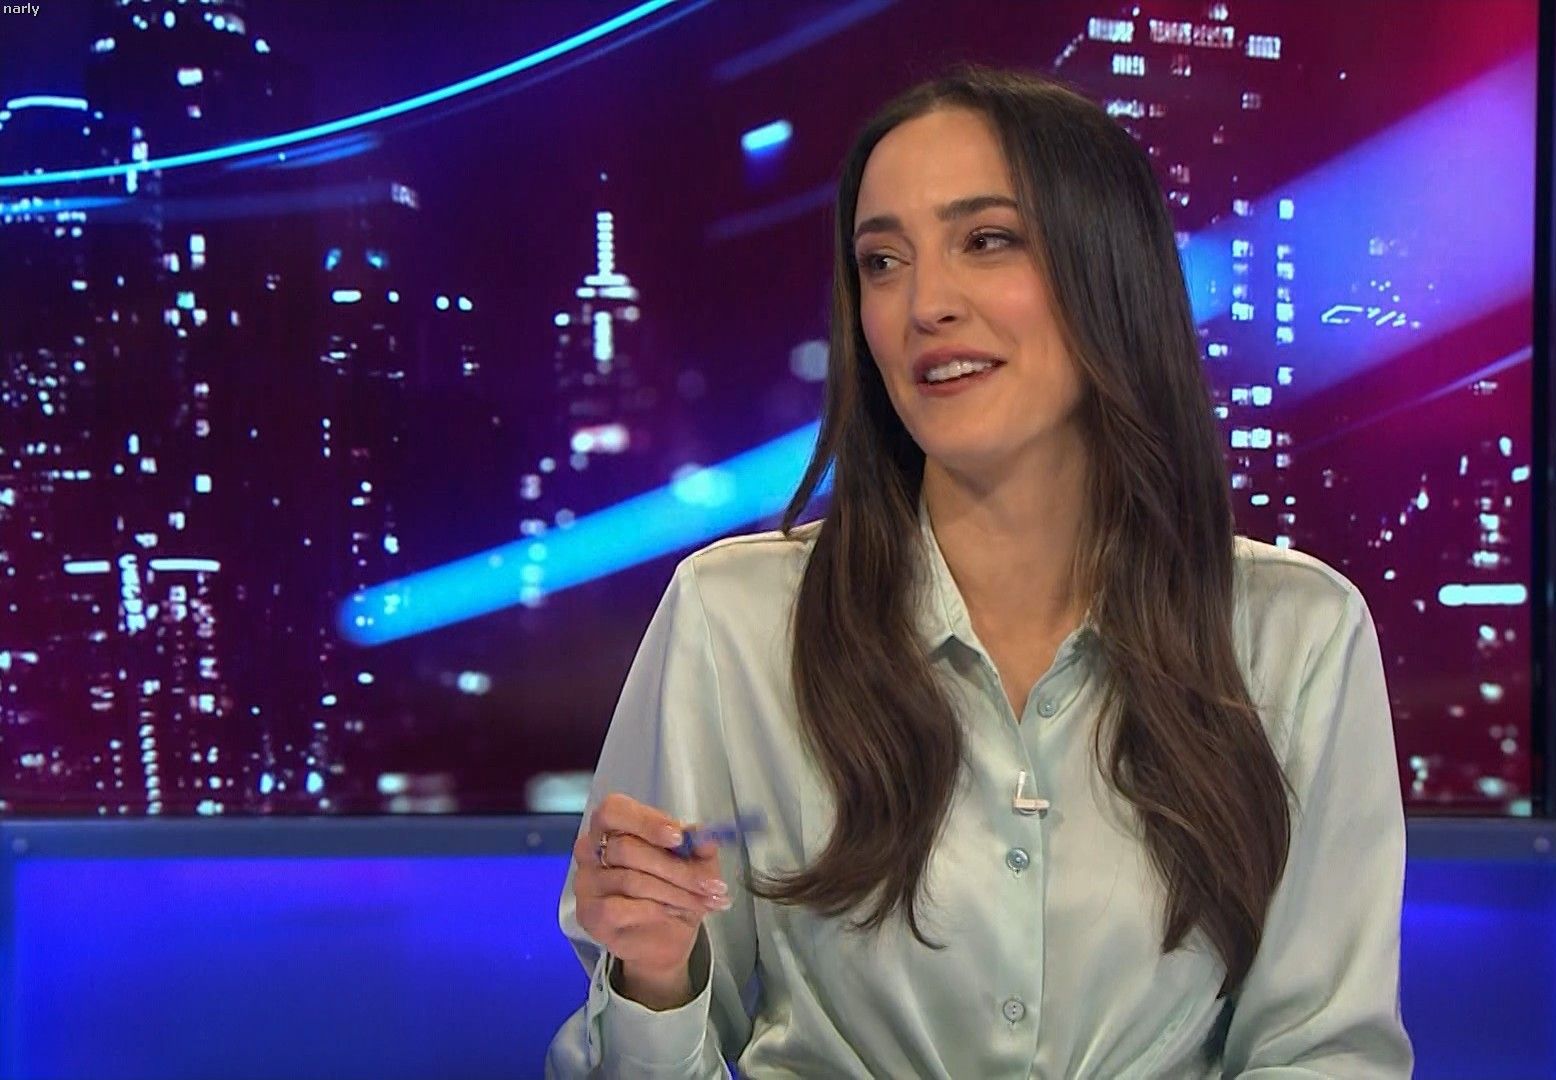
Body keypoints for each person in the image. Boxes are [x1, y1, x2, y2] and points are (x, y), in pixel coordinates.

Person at [545, 64, 1413, 1079]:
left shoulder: (1293, 633)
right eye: (882, 262)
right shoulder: (735, 620)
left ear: (1109, 271)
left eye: (987, 240)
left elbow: (1324, 1053)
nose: (925, 305)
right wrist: (653, 982)